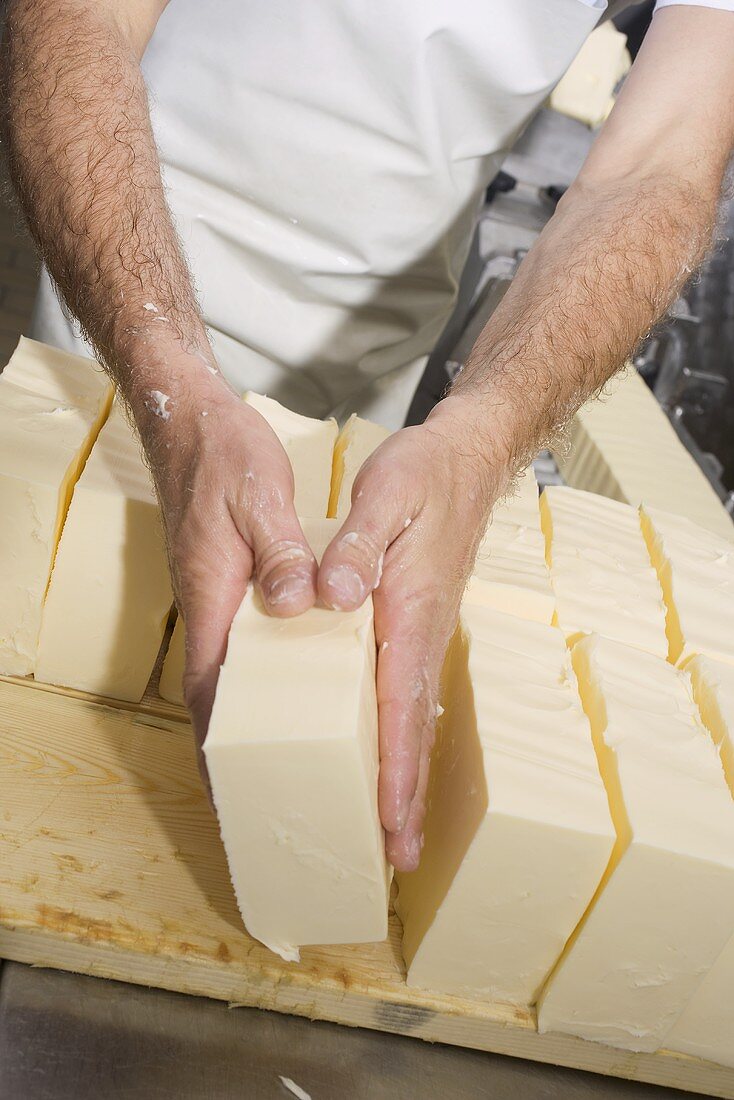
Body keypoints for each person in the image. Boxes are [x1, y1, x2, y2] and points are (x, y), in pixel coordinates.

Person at [2, 0, 733, 872]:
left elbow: (663, 161)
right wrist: (169, 382)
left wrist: (481, 437)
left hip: (383, 334)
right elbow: (79, 17)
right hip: (133, 262)